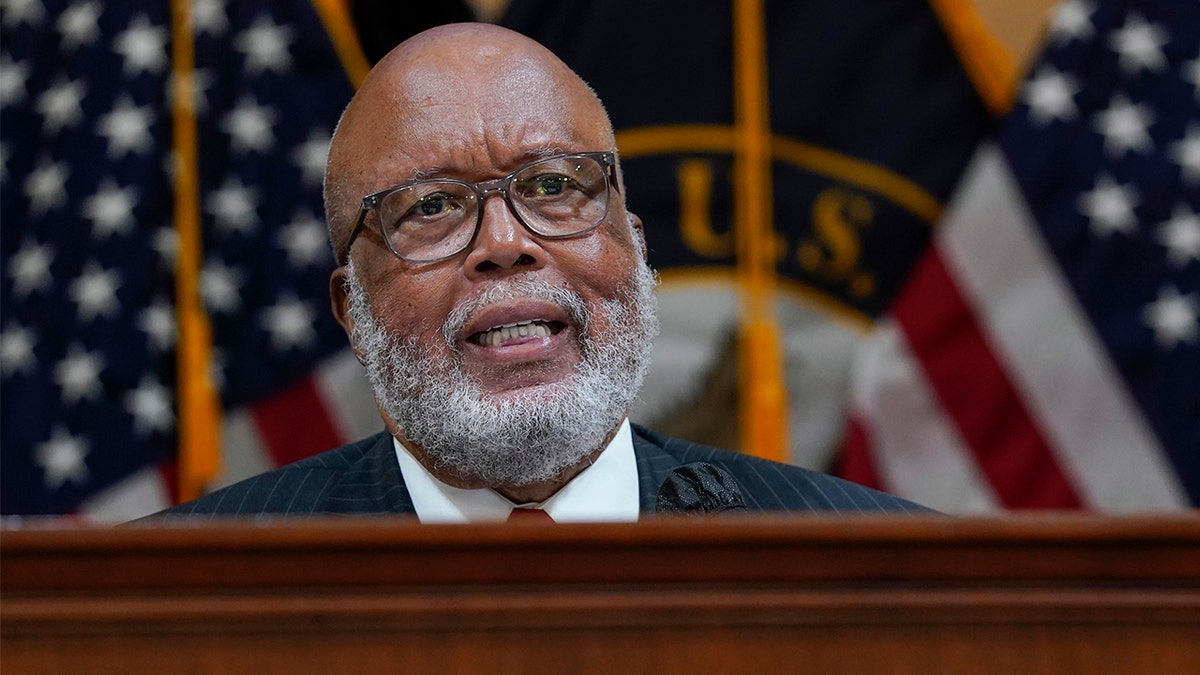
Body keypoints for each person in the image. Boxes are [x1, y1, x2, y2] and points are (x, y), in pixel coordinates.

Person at [159, 23, 926, 522]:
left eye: (555, 186)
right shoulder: (174, 595)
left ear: (634, 244)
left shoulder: (882, 569)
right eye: (430, 207)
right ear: (351, 312)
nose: (504, 242)